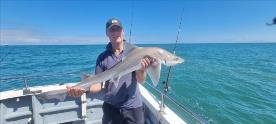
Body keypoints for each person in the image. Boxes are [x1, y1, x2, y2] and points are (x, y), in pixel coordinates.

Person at [66, 18, 152, 124]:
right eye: (112, 30)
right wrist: (84, 89)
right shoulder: (102, 58)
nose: (115, 33)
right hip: (111, 107)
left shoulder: (134, 53)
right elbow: (97, 85)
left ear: (123, 32)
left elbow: (141, 81)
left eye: (118, 29)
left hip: (133, 107)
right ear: (107, 33)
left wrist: (142, 70)